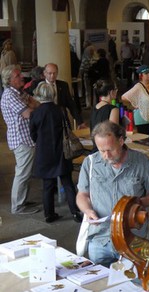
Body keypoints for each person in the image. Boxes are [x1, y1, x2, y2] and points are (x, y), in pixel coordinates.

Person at [76, 121, 149, 267]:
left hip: (132, 237)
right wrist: (87, 210)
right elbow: (82, 195)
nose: (106, 155)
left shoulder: (141, 162)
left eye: (110, 149)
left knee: (134, 284)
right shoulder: (90, 163)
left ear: (121, 141)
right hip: (100, 237)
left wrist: (139, 204)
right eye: (101, 151)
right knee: (98, 283)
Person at [29, 82, 82, 223]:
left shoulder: (35, 113)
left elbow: (32, 134)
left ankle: (49, 214)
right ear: (52, 94)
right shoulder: (60, 110)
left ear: (39, 95)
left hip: (44, 153)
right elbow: (68, 128)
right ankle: (75, 212)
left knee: (47, 185)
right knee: (68, 183)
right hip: (61, 151)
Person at [0, 65, 40, 215]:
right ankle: (17, 206)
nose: (22, 77)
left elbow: (36, 104)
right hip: (21, 140)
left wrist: (31, 105)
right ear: (9, 80)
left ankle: (22, 201)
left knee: (26, 172)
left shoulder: (19, 92)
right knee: (22, 173)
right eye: (17, 76)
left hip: (26, 138)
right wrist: (30, 106)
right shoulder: (10, 95)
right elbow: (29, 113)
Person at [43, 63, 87, 129]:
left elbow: (71, 104)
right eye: (50, 73)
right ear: (45, 73)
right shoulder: (38, 85)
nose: (52, 76)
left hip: (61, 120)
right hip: (45, 121)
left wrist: (80, 122)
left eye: (54, 73)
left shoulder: (63, 85)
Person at [122, 64, 149, 134]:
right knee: (144, 140)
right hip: (142, 117)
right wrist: (135, 104)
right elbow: (124, 97)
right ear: (141, 75)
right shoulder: (138, 87)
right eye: (146, 73)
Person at [90, 79, 119, 152]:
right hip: (108, 150)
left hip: (96, 147)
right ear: (111, 92)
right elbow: (114, 132)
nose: (117, 91)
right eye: (115, 89)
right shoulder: (113, 109)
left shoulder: (94, 108)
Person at [79, 42, 96, 108]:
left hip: (87, 76)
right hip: (95, 77)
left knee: (88, 91)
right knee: (94, 90)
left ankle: (88, 104)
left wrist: (79, 75)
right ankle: (95, 103)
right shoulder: (96, 59)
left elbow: (82, 69)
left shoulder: (85, 58)